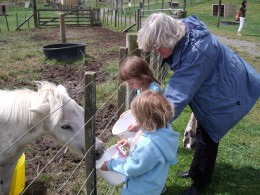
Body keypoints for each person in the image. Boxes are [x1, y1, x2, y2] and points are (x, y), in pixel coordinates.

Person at [137, 12, 260, 194]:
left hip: (228, 92)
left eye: (159, 45)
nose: (157, 50)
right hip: (218, 85)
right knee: (204, 130)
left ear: (169, 36)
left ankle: (200, 182)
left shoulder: (197, 51)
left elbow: (176, 97)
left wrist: (148, 124)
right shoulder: (184, 32)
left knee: (209, 133)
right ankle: (196, 172)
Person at [101, 90, 180, 195]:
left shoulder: (146, 145)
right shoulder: (166, 132)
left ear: (145, 120)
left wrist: (111, 164)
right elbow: (152, 146)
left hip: (139, 189)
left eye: (137, 118)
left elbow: (131, 168)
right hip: (154, 185)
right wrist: (129, 142)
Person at [119, 55, 163, 132]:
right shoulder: (141, 88)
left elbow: (153, 115)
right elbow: (143, 108)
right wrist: (131, 111)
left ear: (142, 78)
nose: (129, 87)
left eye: (131, 83)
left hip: (156, 130)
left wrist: (138, 124)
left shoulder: (153, 91)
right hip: (147, 127)